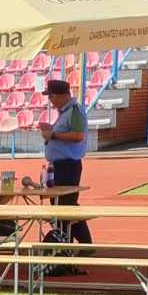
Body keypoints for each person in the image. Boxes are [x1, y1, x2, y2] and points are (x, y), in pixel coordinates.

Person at [39, 78, 92, 247]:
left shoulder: (74, 110)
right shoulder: (65, 112)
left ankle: (85, 244)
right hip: (59, 165)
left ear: (62, 95)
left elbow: (78, 135)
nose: (50, 100)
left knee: (66, 206)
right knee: (59, 205)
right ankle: (66, 242)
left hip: (68, 166)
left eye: (52, 96)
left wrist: (53, 135)